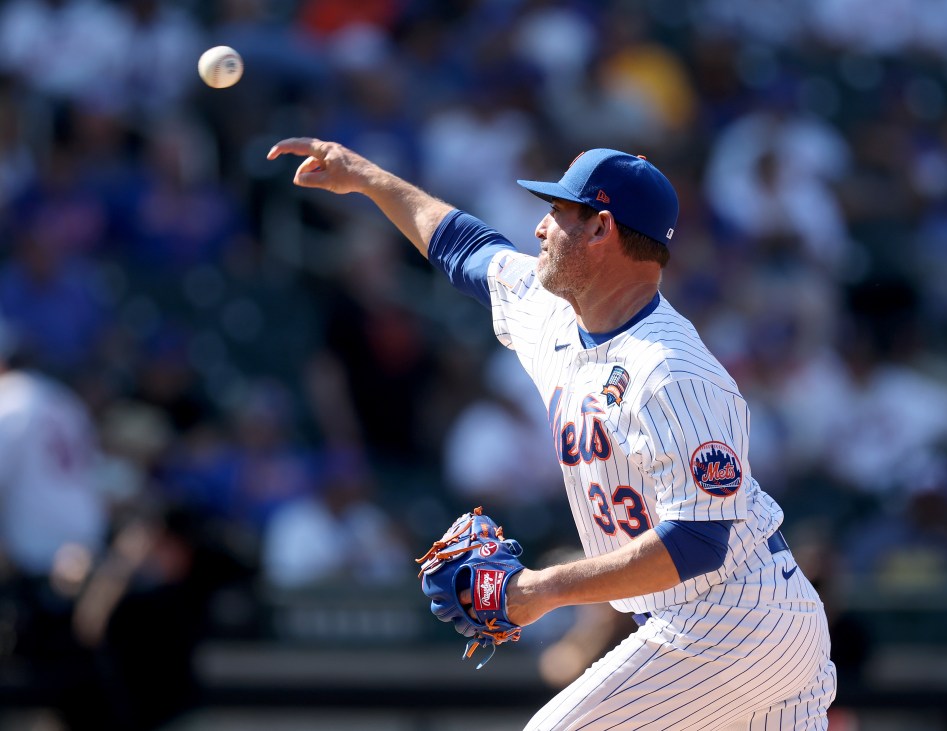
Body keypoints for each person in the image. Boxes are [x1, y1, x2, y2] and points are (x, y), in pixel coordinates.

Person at [268, 138, 837, 730]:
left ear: (601, 229)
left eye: (559, 212)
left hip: (734, 618)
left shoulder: (672, 372)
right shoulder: (554, 316)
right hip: (730, 629)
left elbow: (697, 542)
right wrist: (368, 177)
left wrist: (542, 588)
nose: (540, 228)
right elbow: (464, 247)